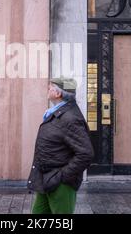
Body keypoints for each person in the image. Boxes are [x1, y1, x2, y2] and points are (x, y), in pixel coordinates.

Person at [27, 77, 94, 214]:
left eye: (50, 87)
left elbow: (86, 154)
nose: (47, 89)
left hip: (60, 184)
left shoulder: (70, 118)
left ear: (58, 94)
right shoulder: (56, 114)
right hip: (45, 179)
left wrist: (62, 176)